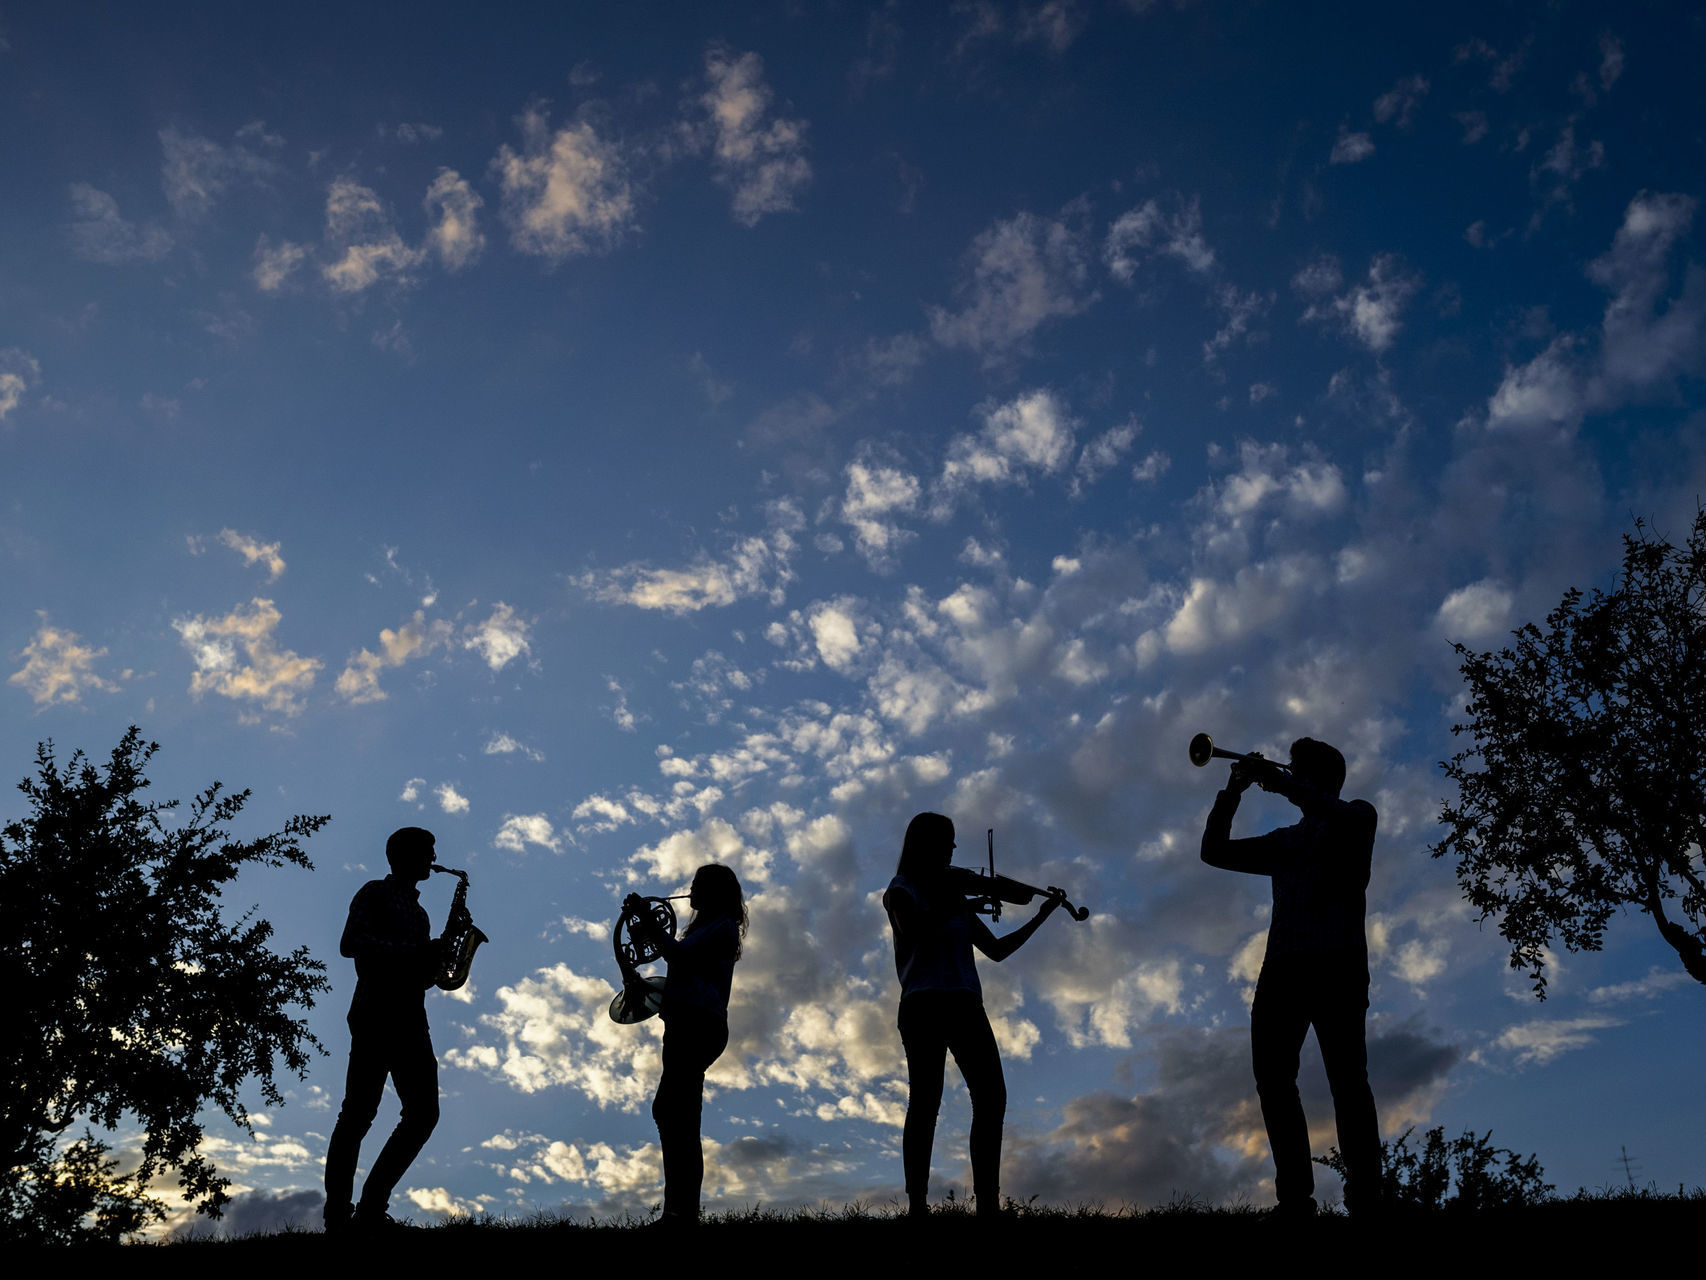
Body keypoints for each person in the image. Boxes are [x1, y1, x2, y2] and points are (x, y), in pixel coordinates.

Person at [1199, 738, 1382, 1220]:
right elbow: (1212, 852)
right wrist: (1232, 790)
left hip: (1338, 966)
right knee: (1274, 1082)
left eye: (1298, 768)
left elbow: (1333, 812)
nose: (1288, 772)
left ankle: (1367, 1197)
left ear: (1318, 778)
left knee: (1348, 1082)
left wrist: (1282, 784)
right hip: (1281, 969)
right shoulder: (1285, 841)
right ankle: (1296, 1201)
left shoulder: (1358, 817)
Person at [884, 812, 1062, 1221]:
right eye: (945, 843)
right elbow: (912, 931)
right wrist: (956, 902)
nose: (952, 852)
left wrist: (1041, 914)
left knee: (991, 1097)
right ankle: (916, 1208)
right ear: (923, 845)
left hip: (966, 1002)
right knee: (926, 1102)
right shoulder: (901, 890)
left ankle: (988, 1205)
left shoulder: (956, 901)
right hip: (923, 1002)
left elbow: (997, 951)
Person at [323, 826, 445, 1233]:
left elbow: (421, 975)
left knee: (423, 1114)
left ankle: (371, 1207)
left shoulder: (421, 912)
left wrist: (438, 963)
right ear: (404, 855)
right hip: (376, 1012)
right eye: (427, 851)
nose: (433, 857)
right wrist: (418, 952)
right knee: (358, 1114)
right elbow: (353, 943)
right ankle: (339, 1217)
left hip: (411, 1015)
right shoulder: (374, 892)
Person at [623, 862, 747, 1227]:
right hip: (684, 1023)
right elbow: (678, 966)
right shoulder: (707, 929)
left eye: (697, 885)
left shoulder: (722, 928)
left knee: (677, 1115)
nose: (690, 890)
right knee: (674, 1114)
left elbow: (675, 955)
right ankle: (678, 1210)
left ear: (712, 893)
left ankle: (681, 1213)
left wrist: (646, 920)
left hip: (697, 1025)